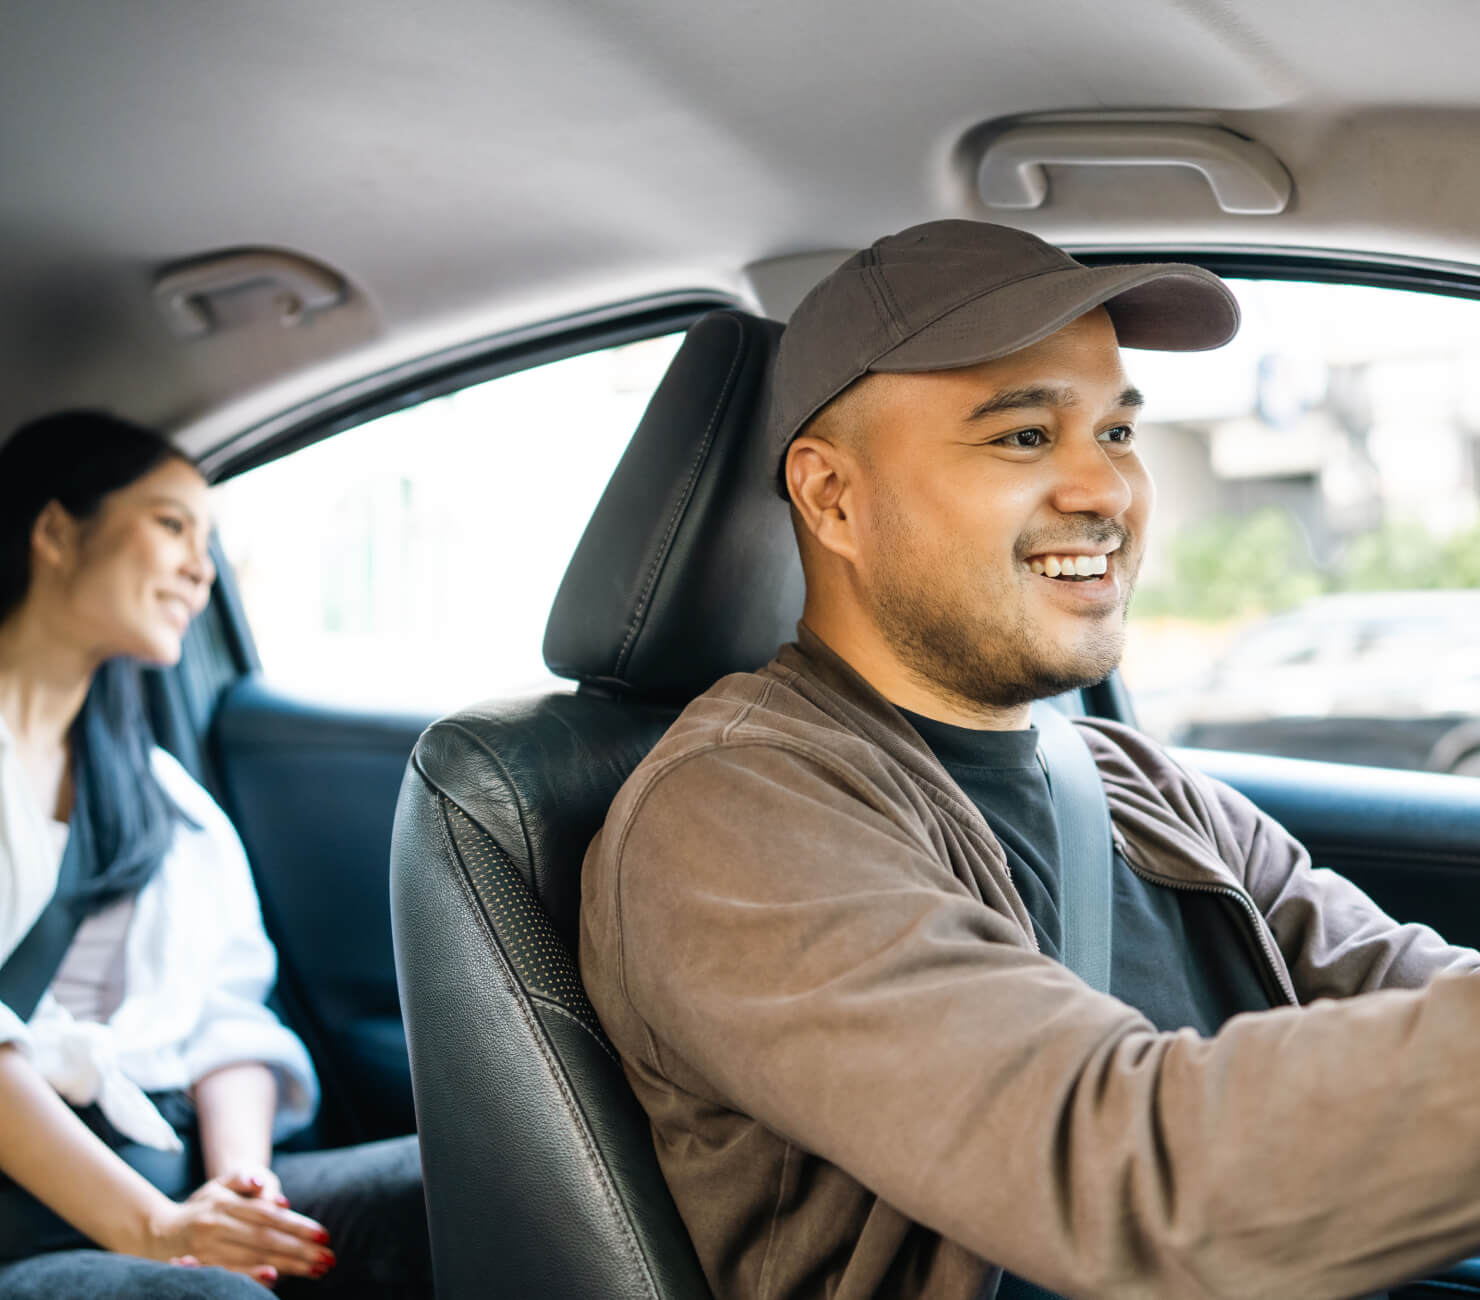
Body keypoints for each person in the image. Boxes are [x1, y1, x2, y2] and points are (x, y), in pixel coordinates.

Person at [578, 221, 1480, 1299]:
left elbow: (1394, 981)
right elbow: (1121, 1177)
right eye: (1020, 438)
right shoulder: (729, 812)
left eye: (1114, 431)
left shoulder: (1132, 781)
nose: (1104, 492)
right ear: (830, 498)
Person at [0, 412, 432, 1298]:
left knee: (463, 1186)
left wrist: (243, 1188)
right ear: (53, 531)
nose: (201, 569)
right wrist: (156, 1229)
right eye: (171, 525)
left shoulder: (160, 795)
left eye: (209, 539)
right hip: (36, 1212)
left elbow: (228, 1013)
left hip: (169, 1168)